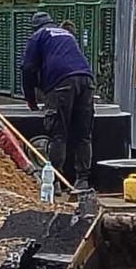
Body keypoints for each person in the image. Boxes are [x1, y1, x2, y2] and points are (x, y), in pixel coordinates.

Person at [21, 10, 94, 187]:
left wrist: (30, 98)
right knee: (84, 134)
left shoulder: (38, 36)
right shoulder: (66, 34)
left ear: (34, 27)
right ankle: (82, 181)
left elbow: (27, 68)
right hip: (86, 78)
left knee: (58, 133)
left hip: (61, 82)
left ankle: (55, 182)